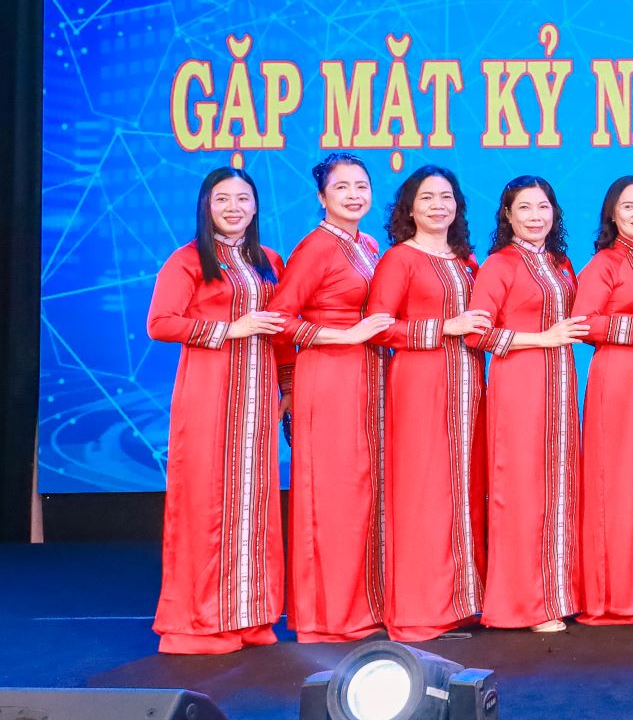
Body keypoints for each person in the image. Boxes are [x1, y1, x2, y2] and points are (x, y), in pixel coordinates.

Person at [147, 166, 291, 654]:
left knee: (254, 503)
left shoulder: (268, 260)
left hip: (259, 402)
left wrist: (288, 386)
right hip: (209, 397)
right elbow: (160, 323)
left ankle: (249, 617)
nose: (234, 207)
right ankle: (198, 624)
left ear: (256, 206)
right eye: (222, 199)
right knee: (206, 502)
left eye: (243, 198)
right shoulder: (188, 260)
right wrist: (229, 328)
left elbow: (281, 328)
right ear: (206, 206)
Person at [270, 153, 395, 644]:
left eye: (361, 186)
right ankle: (327, 616)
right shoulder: (316, 247)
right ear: (322, 197)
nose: (354, 195)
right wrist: (343, 335)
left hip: (367, 376)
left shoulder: (367, 244)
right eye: (341, 187)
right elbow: (280, 319)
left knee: (363, 490)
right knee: (335, 494)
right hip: (329, 377)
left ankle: (362, 606)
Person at [368, 165, 491, 643]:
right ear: (409, 208)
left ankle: (459, 602)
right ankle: (421, 609)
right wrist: (444, 328)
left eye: (446, 197)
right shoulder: (400, 259)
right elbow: (379, 327)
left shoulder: (465, 260)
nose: (438, 206)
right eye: (427, 197)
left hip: (467, 383)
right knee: (424, 490)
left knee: (462, 486)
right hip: (420, 383)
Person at [466, 176, 588, 633]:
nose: (535, 216)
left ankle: (557, 595)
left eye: (543, 207)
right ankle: (522, 605)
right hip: (519, 384)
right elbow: (477, 334)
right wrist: (541, 338)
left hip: (560, 385)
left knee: (557, 485)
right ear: (507, 215)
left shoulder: (559, 262)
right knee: (521, 490)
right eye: (525, 208)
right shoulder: (499, 264)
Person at [574, 175, 633, 626]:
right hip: (619, 377)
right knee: (617, 481)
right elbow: (583, 322)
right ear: (613, 213)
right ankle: (614, 597)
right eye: (628, 206)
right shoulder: (605, 263)